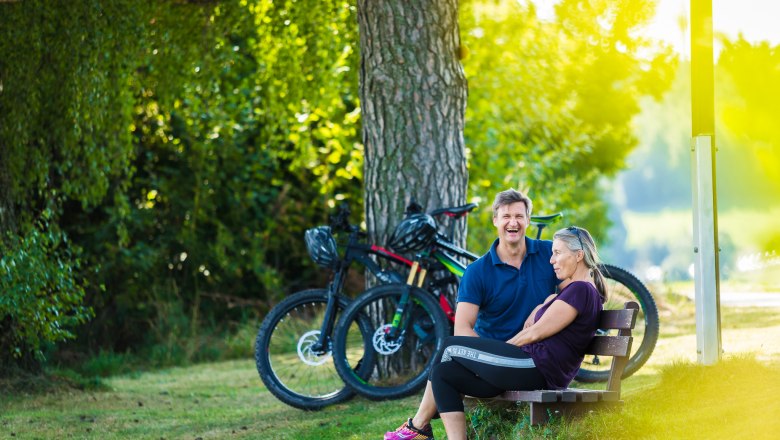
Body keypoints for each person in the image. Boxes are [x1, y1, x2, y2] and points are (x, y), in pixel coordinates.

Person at [384, 210, 607, 440]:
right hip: (526, 367)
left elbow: (535, 333)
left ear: (579, 255)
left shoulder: (581, 290)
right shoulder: (577, 291)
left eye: (557, 253)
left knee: (450, 347)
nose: (551, 260)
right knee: (444, 372)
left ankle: (419, 427)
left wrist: (497, 352)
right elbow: (549, 317)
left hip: (536, 368)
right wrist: (544, 302)